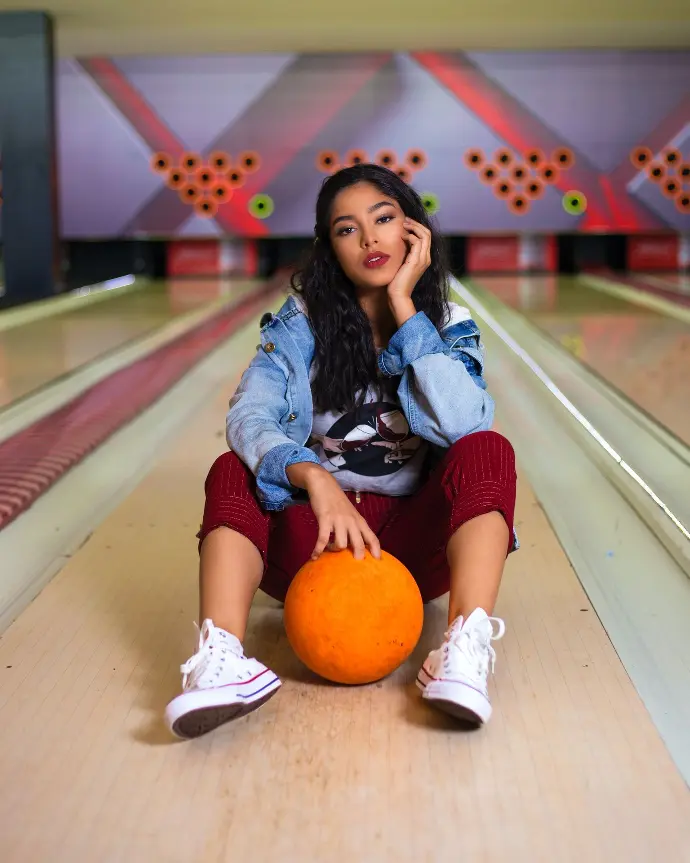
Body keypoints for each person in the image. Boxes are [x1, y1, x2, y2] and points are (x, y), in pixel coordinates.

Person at [165, 164, 518, 740]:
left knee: (487, 450)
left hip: (408, 548)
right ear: (330, 249)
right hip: (314, 539)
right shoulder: (302, 326)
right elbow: (248, 416)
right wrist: (313, 477)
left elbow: (462, 423)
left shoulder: (448, 325)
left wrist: (405, 307)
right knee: (233, 469)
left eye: (383, 220)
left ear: (414, 231)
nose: (370, 239)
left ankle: (464, 649)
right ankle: (220, 659)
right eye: (347, 229)